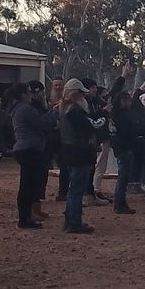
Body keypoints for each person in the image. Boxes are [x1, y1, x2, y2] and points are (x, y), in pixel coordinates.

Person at [10, 81, 54, 229]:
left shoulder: (18, 109)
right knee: (27, 186)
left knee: (27, 184)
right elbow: (43, 123)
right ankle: (24, 219)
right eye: (29, 92)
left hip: (24, 149)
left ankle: (26, 217)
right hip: (29, 149)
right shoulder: (25, 109)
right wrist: (54, 113)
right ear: (23, 94)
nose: (31, 95)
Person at [58, 80, 99, 233]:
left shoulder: (64, 108)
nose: (84, 96)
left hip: (70, 151)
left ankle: (70, 220)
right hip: (79, 152)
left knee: (73, 188)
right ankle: (74, 222)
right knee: (77, 189)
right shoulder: (74, 111)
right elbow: (89, 126)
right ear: (75, 94)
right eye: (81, 93)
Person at [110, 86, 145, 214]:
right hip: (125, 148)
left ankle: (120, 202)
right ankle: (120, 203)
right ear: (123, 101)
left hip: (121, 148)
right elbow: (128, 132)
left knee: (123, 177)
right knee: (123, 178)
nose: (130, 103)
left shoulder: (115, 115)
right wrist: (137, 138)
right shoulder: (122, 116)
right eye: (128, 100)